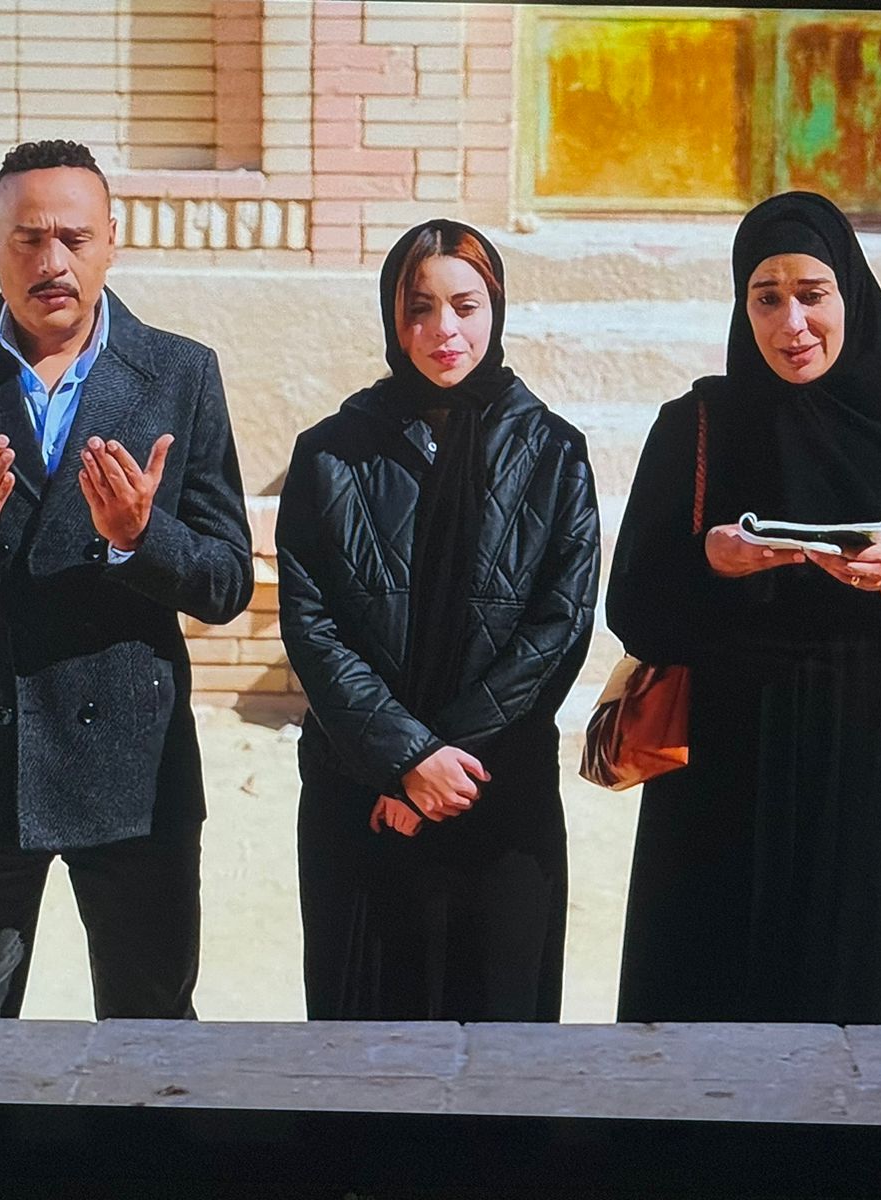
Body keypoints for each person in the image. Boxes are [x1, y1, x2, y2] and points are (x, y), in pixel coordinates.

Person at [0, 140, 254, 1019]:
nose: (52, 262)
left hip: (134, 772)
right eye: (28, 239)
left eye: (73, 237)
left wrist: (140, 537)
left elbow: (227, 584)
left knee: (151, 1042)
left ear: (112, 242)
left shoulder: (180, 373)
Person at [607, 191, 881, 1025]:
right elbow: (632, 607)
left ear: (850, 295)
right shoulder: (696, 425)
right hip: (718, 768)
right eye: (767, 298)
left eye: (812, 295)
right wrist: (709, 560)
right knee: (702, 1010)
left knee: (847, 1014)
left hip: (858, 766)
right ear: (742, 306)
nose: (792, 325)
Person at [277, 219, 600, 1022]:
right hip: (362, 798)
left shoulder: (554, 453)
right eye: (419, 308)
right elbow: (313, 626)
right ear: (393, 319)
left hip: (498, 792)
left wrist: (435, 768)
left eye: (465, 305)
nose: (443, 330)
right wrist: (402, 759)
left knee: (500, 1048)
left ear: (496, 308)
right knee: (365, 1051)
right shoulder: (331, 454)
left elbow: (559, 626)